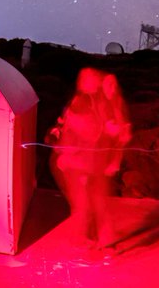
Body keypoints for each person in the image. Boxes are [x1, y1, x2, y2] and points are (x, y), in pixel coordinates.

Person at [48, 68, 132, 251]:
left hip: (92, 162)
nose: (95, 83)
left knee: (96, 202)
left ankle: (101, 240)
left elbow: (113, 131)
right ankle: (84, 241)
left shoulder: (100, 101)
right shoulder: (80, 102)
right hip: (76, 162)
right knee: (83, 205)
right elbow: (84, 132)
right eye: (89, 79)